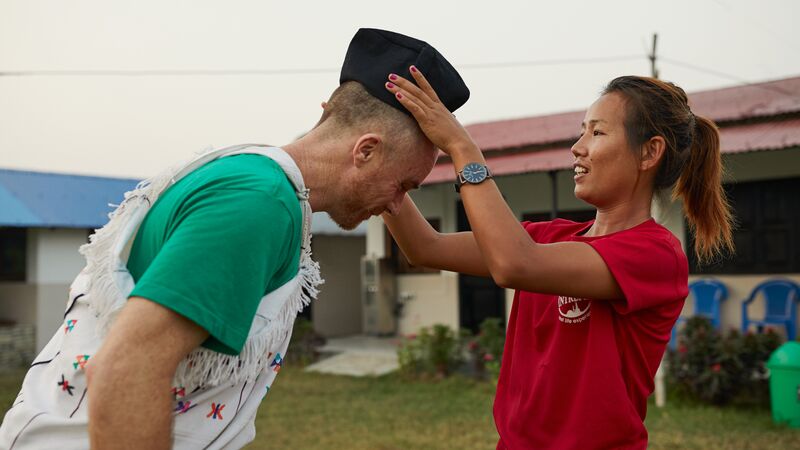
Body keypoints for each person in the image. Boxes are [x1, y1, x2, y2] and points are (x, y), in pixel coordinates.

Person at [0, 28, 469, 449]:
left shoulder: (255, 177)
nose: (395, 206)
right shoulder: (259, 204)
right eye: (404, 185)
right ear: (365, 151)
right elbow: (128, 370)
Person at [382, 70, 733, 449]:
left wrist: (461, 147)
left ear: (650, 152)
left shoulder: (655, 254)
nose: (577, 147)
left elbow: (513, 264)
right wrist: (382, 169)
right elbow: (425, 247)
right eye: (582, 131)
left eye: (597, 133)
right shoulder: (547, 238)